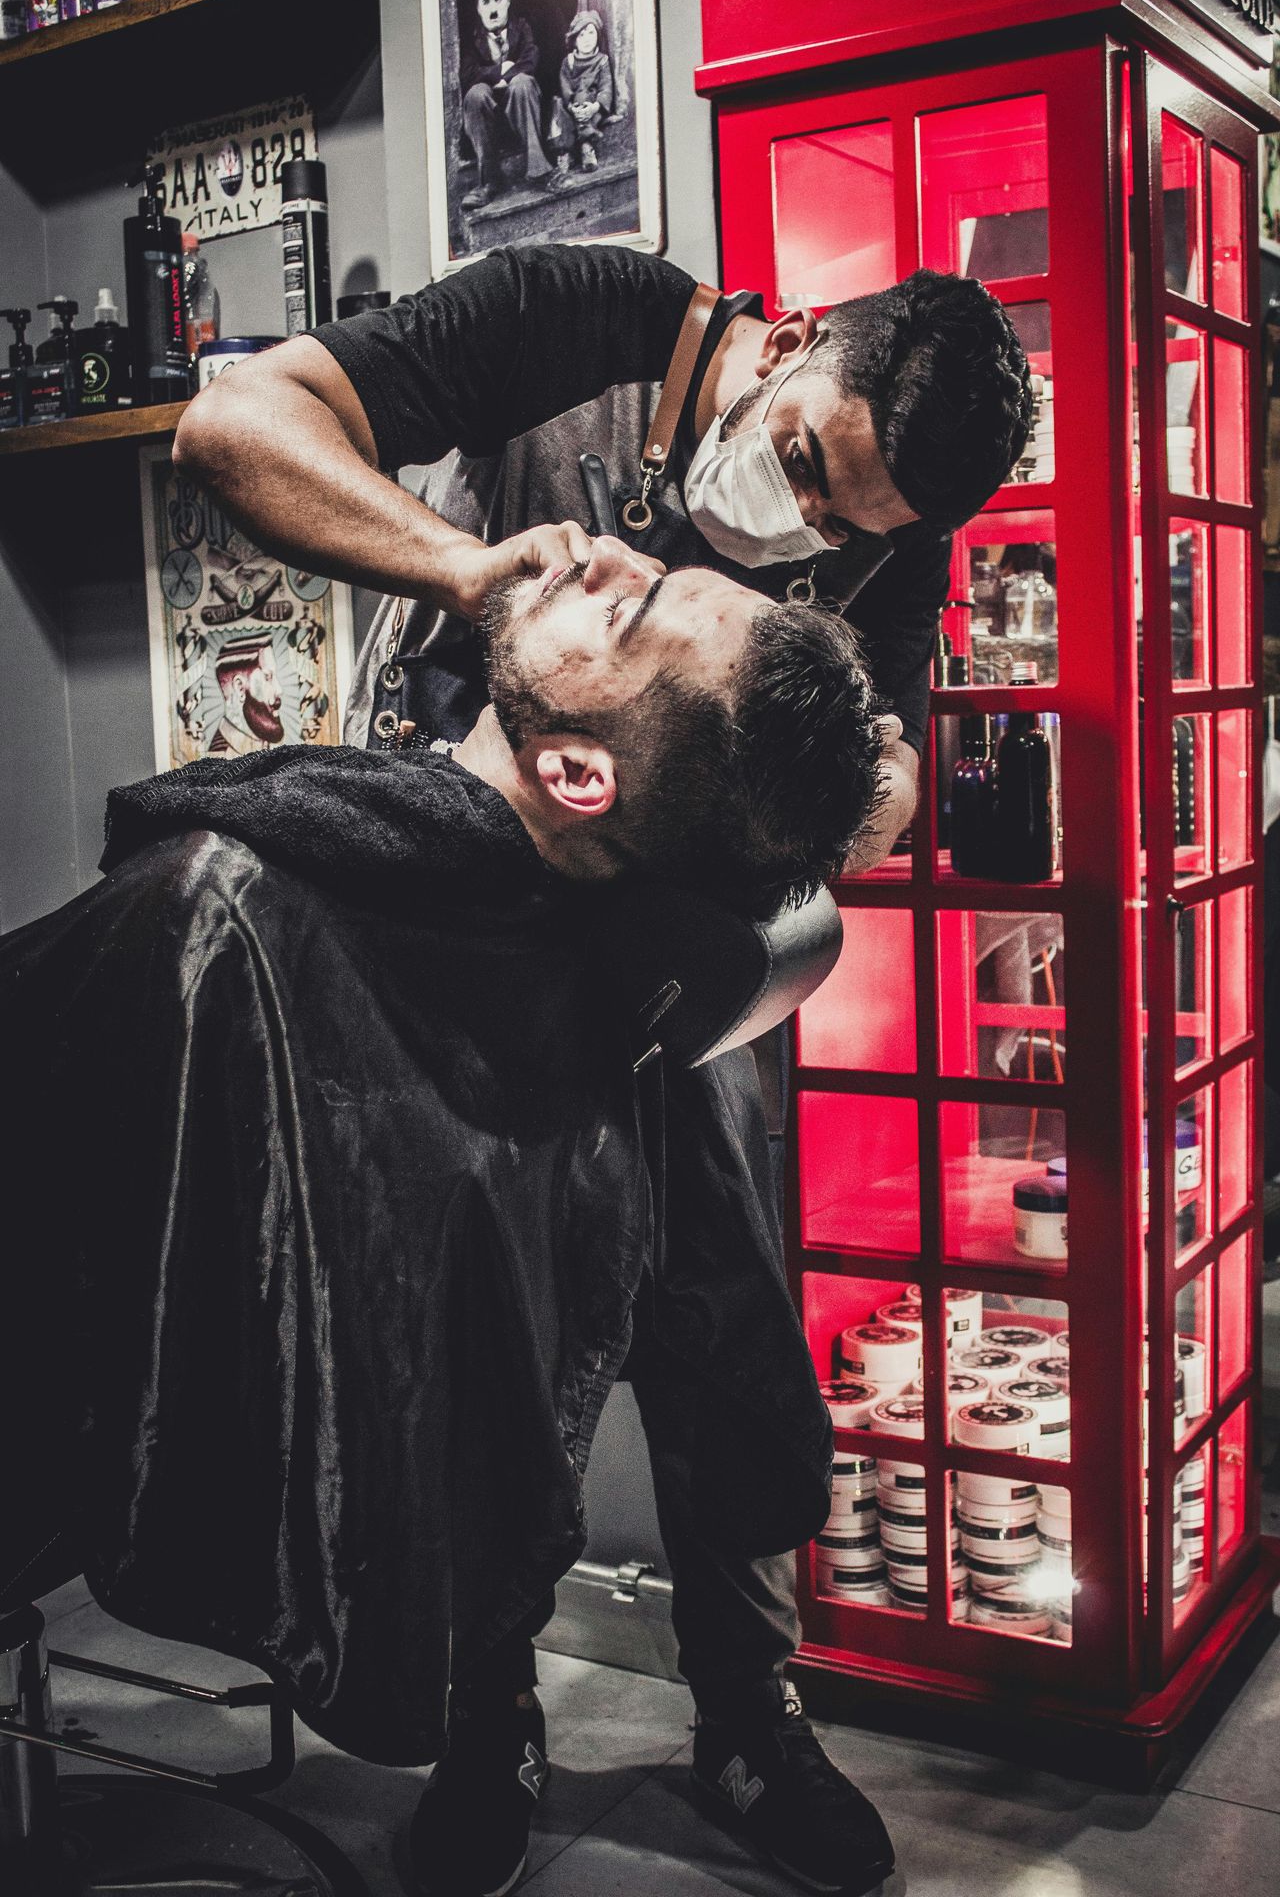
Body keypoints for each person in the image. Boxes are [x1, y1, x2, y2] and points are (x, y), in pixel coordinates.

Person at [174, 243, 1030, 1897]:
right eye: (803, 464)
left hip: (670, 966)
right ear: (790, 345)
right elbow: (232, 429)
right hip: (464, 933)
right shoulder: (584, 320)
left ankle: (752, 1716)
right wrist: (474, 575)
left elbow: (892, 786)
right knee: (481, 1332)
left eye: (850, 524)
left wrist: (807, 772)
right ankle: (488, 1712)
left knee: (721, 1326)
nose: (812, 528)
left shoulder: (893, 529)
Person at [0, 539, 884, 1795]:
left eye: (628, 607)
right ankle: (494, 1712)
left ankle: (718, 1713)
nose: (599, 554)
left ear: (577, 774)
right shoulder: (271, 911)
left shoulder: (225, 900)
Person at [460, 0, 556, 210]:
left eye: (498, 0)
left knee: (523, 82)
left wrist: (508, 77)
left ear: (508, 2)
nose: (493, 9)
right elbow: (468, 73)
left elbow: (530, 59)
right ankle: (488, 182)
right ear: (478, 8)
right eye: (486, 2)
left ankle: (540, 170)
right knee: (475, 94)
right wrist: (499, 71)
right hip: (487, 117)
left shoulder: (521, 27)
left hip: (522, 109)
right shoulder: (471, 37)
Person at [552, 8, 616, 176]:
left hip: (591, 106)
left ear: (598, 36)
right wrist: (571, 106)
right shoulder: (569, 62)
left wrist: (595, 107)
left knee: (583, 96)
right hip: (572, 107)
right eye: (581, 35)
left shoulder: (602, 61)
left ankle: (586, 146)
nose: (587, 39)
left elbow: (606, 87)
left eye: (591, 33)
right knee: (557, 104)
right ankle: (565, 152)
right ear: (574, 40)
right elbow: (565, 86)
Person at [205, 633, 285, 756]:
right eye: (267, 677)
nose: (279, 689)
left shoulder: (267, 748)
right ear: (240, 688)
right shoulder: (220, 759)